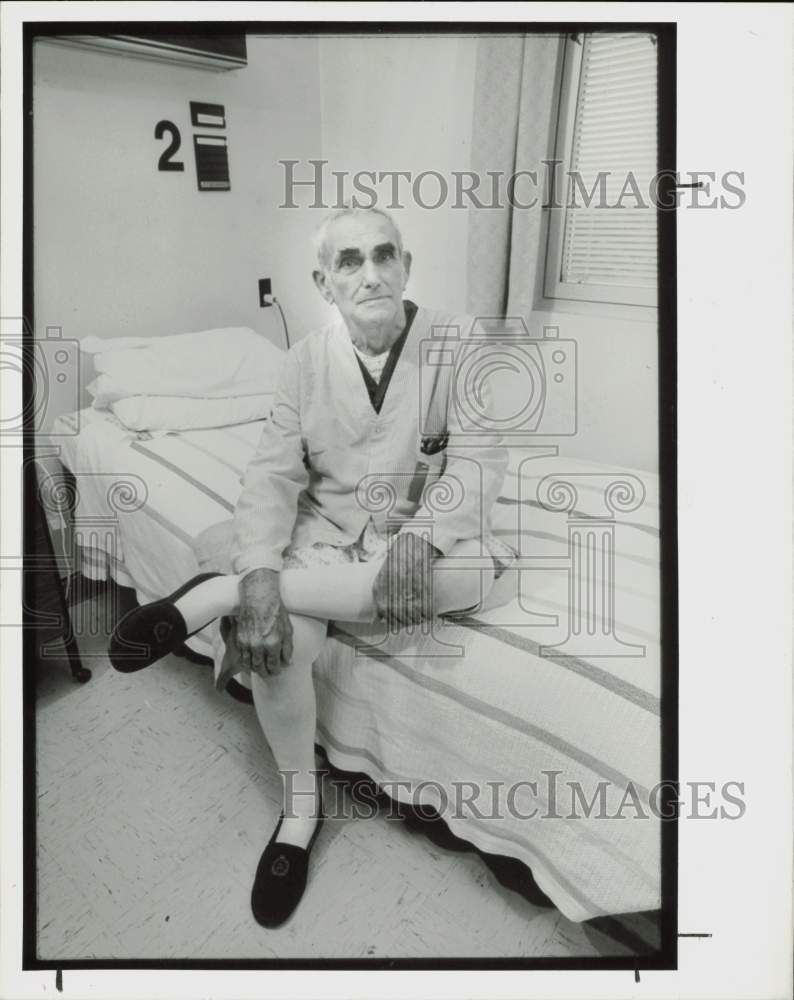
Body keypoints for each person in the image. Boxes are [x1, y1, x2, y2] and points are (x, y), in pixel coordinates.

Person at [110, 205, 516, 928]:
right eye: (350, 262)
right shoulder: (301, 365)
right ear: (323, 283)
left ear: (407, 267)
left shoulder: (461, 343)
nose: (372, 273)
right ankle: (300, 811)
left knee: (470, 577)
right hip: (331, 532)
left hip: (424, 535)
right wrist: (265, 570)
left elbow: (480, 463)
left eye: (385, 255)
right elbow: (270, 477)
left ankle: (215, 594)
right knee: (280, 634)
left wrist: (420, 543)